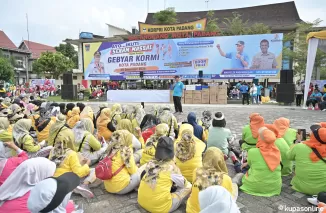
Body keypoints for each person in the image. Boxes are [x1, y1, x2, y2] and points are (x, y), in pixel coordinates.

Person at [138, 136, 192, 213]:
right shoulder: (171, 168)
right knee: (188, 186)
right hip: (160, 208)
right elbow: (184, 183)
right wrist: (175, 167)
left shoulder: (151, 162)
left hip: (141, 200)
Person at [187, 147, 238, 213]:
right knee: (234, 188)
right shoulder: (226, 179)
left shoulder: (196, 171)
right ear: (221, 161)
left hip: (193, 211)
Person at [240, 127, 282, 197]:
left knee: (242, 168)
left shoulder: (252, 151)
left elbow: (250, 164)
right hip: (274, 187)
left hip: (254, 186)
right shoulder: (277, 152)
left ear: (260, 138)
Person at [287, 124, 326, 195]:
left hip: (301, 187)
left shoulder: (300, 147)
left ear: (313, 136)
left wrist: (298, 141)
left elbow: (289, 156)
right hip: (323, 190)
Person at [103, 130, 143, 195]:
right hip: (120, 188)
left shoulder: (110, 148)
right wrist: (136, 167)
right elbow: (132, 171)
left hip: (108, 187)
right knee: (139, 173)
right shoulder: (125, 150)